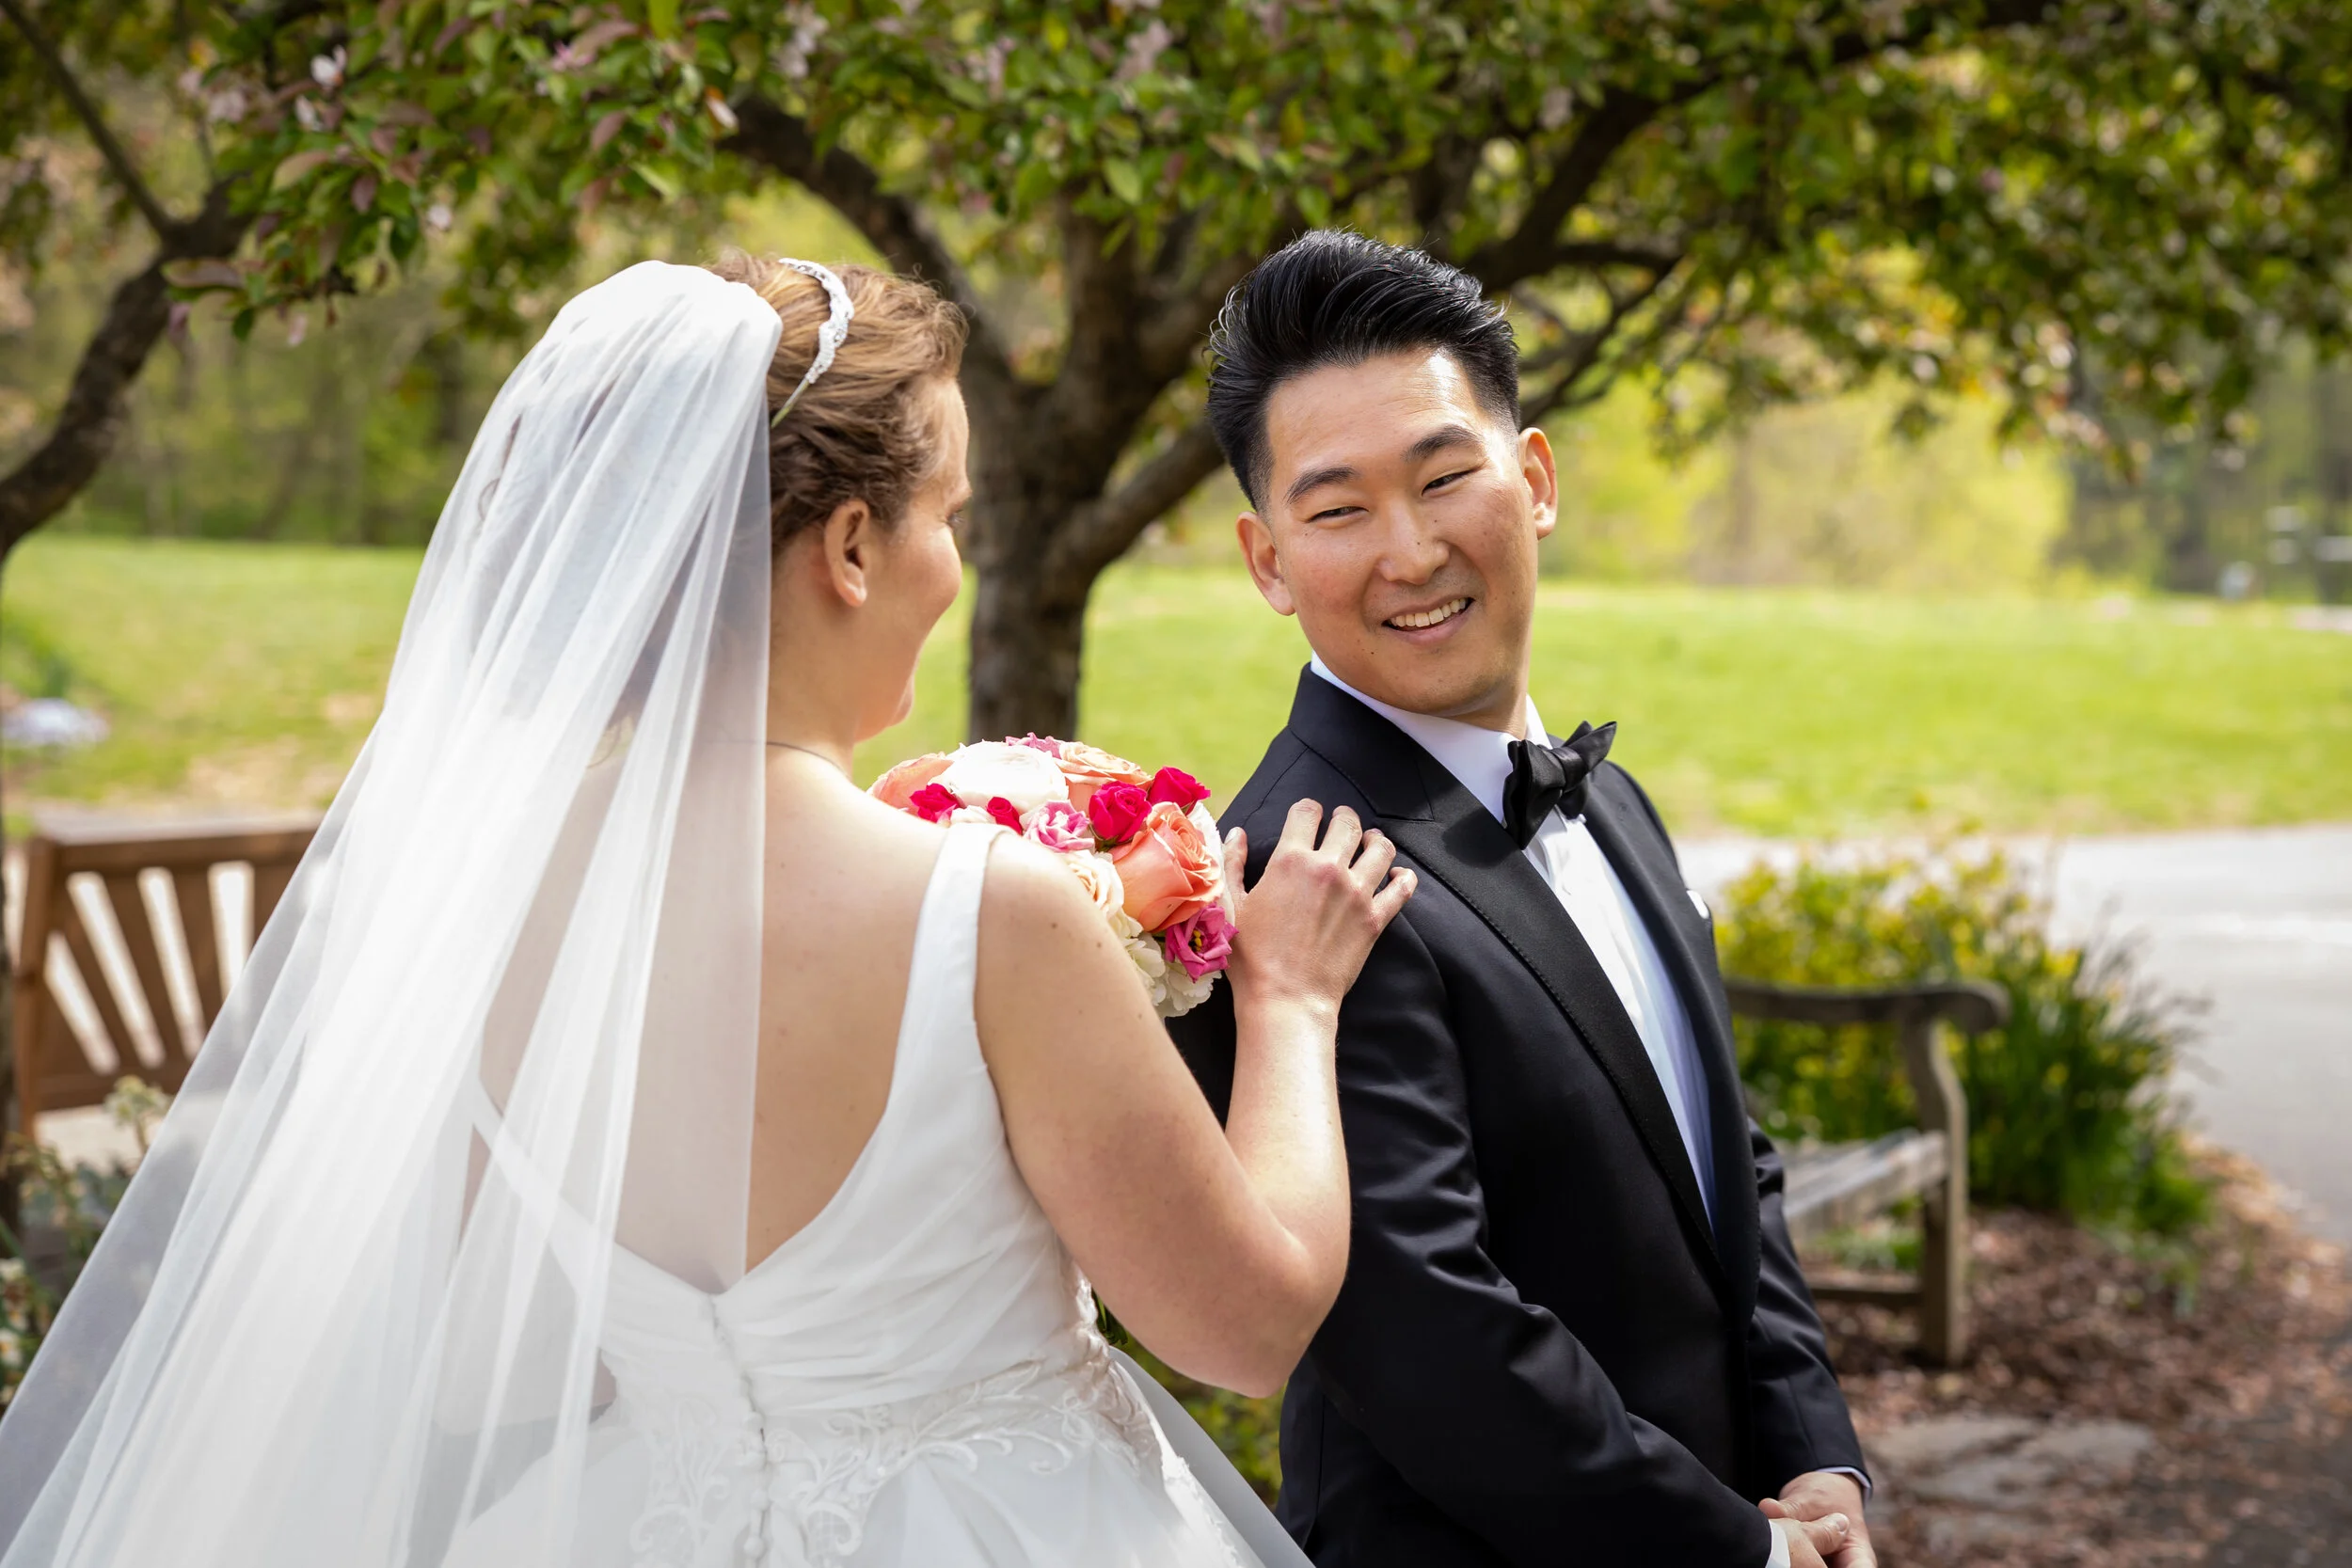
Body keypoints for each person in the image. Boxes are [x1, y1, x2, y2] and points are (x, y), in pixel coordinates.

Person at [0, 255, 1413, 1568]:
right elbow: (1243, 1328)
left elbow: (501, 1357)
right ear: (850, 545)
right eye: (950, 518)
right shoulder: (991, 913)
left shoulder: (481, 906)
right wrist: (1289, 1003)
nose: (955, 565)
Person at [1167, 230, 1873, 1568]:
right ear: (1268, 562)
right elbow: (1435, 1345)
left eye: (1446, 478)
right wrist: (1749, 1552)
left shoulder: (1616, 798)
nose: (1412, 549)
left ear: (1535, 479)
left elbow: (1730, 1160)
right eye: (1339, 511)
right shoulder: (1289, 878)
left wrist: (1814, 1460)